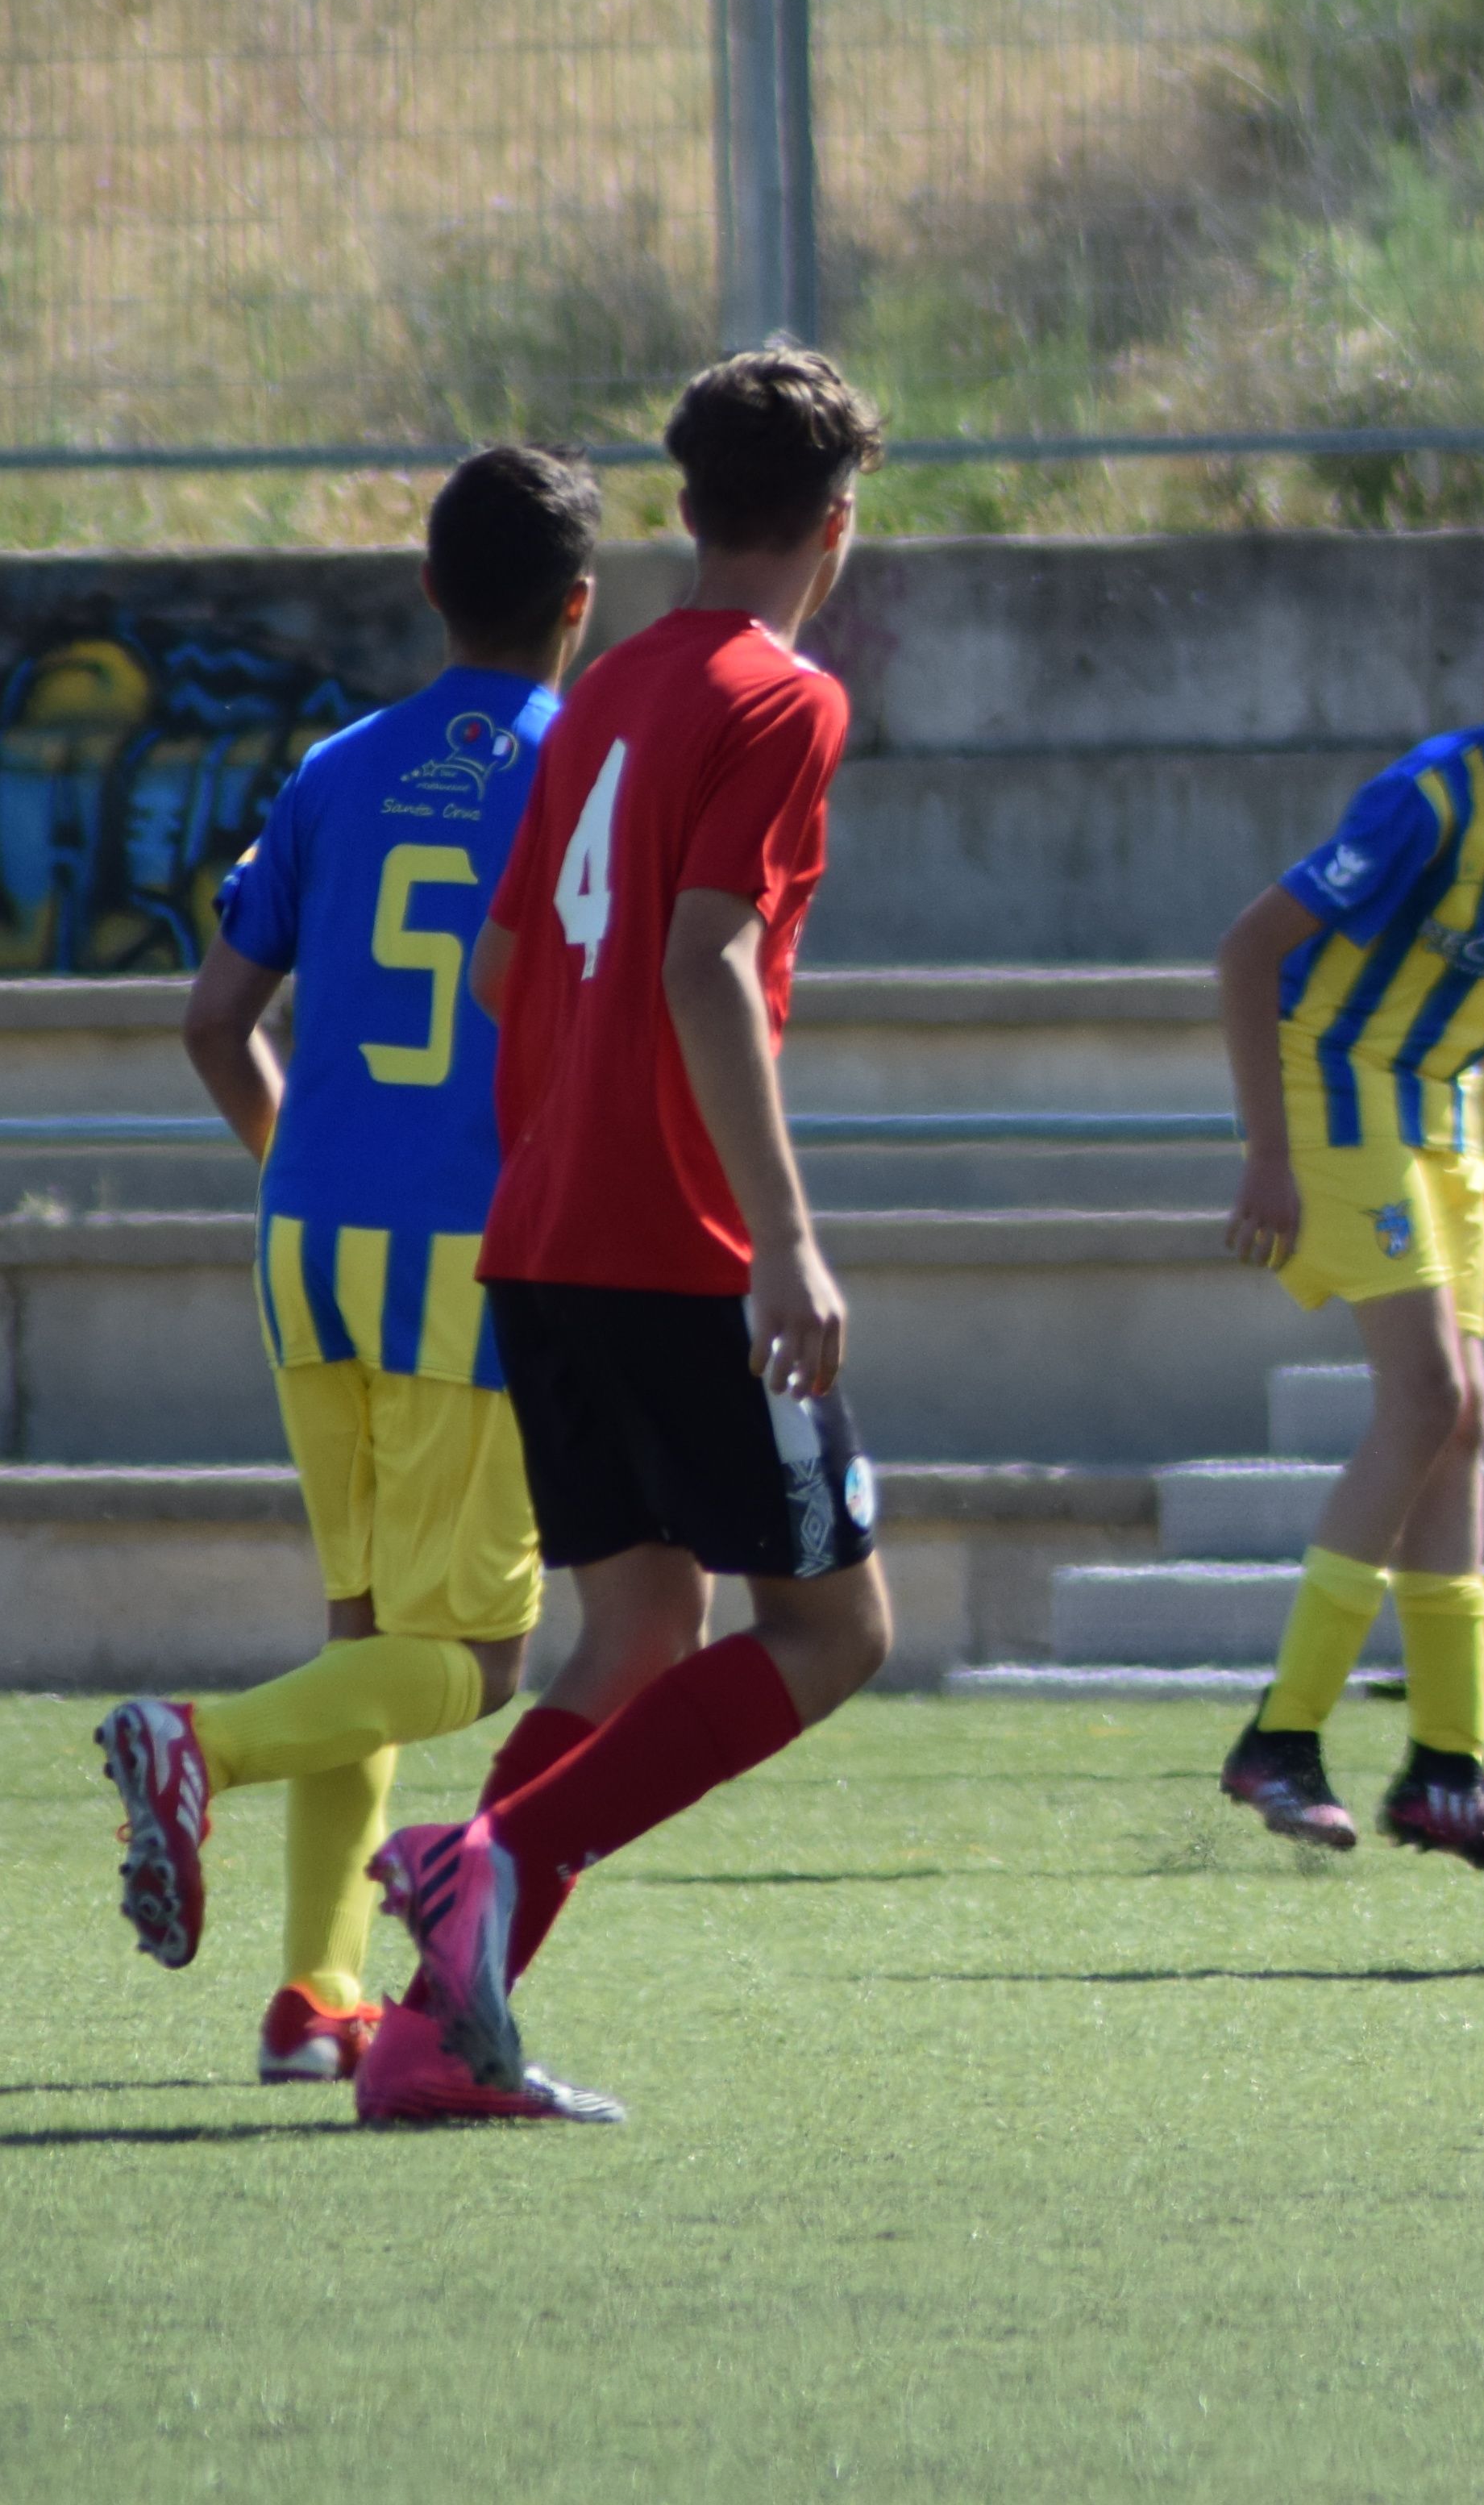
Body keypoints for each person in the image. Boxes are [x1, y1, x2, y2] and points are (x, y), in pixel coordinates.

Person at [365, 347, 892, 2117]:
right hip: (676, 1239)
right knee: (835, 1632)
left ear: (681, 508)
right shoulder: (784, 697)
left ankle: (440, 2035)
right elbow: (704, 961)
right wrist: (785, 1237)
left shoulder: (602, 694)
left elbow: (514, 964)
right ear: (839, 525)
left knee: (638, 1626)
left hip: (547, 1229)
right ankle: (495, 1862)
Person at [91, 446, 599, 2112]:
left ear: (430, 592)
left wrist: (303, 1175)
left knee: (363, 1624)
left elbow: (210, 1020)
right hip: (477, 1246)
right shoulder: (581, 766)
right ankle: (200, 1745)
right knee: (484, 1658)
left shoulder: (338, 765)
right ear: (580, 609)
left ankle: (317, 1994)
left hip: (307, 1233)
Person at [1211, 572, 1484, 1859]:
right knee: (1425, 1403)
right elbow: (1248, 951)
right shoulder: (1424, 800)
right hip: (1335, 1090)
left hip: (1444, 1115)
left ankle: (1443, 1769)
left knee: (1465, 1421)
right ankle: (1281, 1739)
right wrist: (1266, 1153)